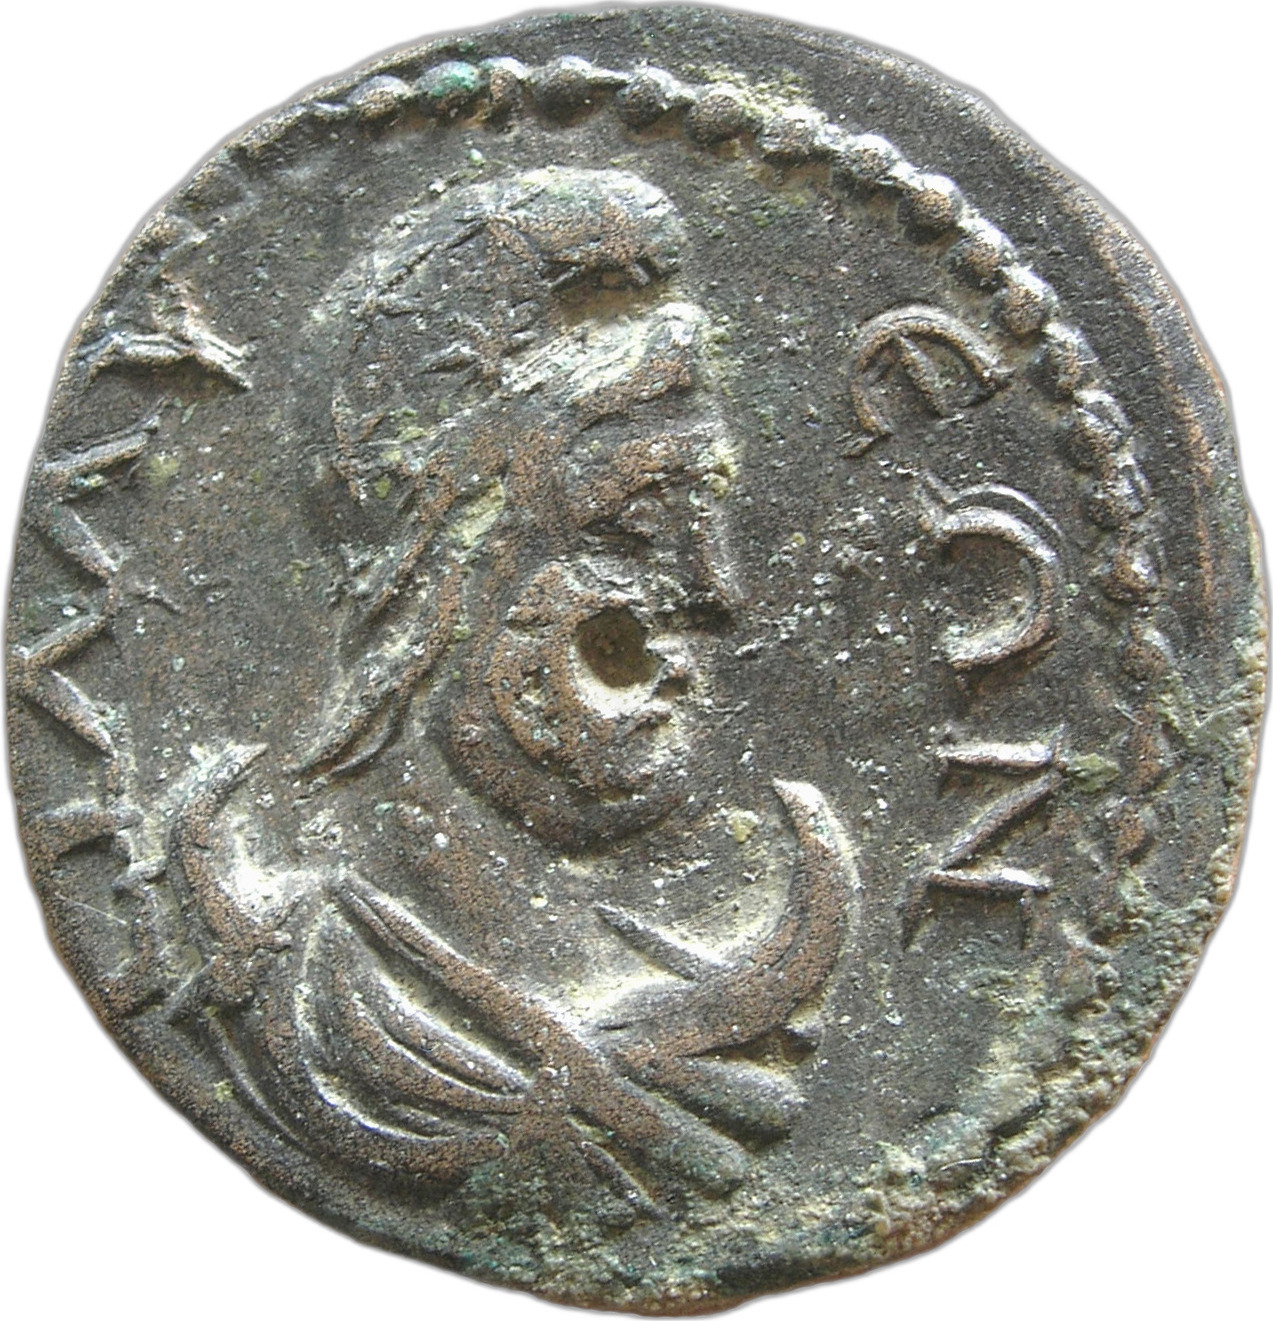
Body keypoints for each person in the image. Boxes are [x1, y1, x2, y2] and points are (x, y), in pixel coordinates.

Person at [172, 167, 860, 1210]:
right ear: (430, 588)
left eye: (706, 512)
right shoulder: (299, 1005)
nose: (715, 594)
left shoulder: (687, 975)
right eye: (638, 520)